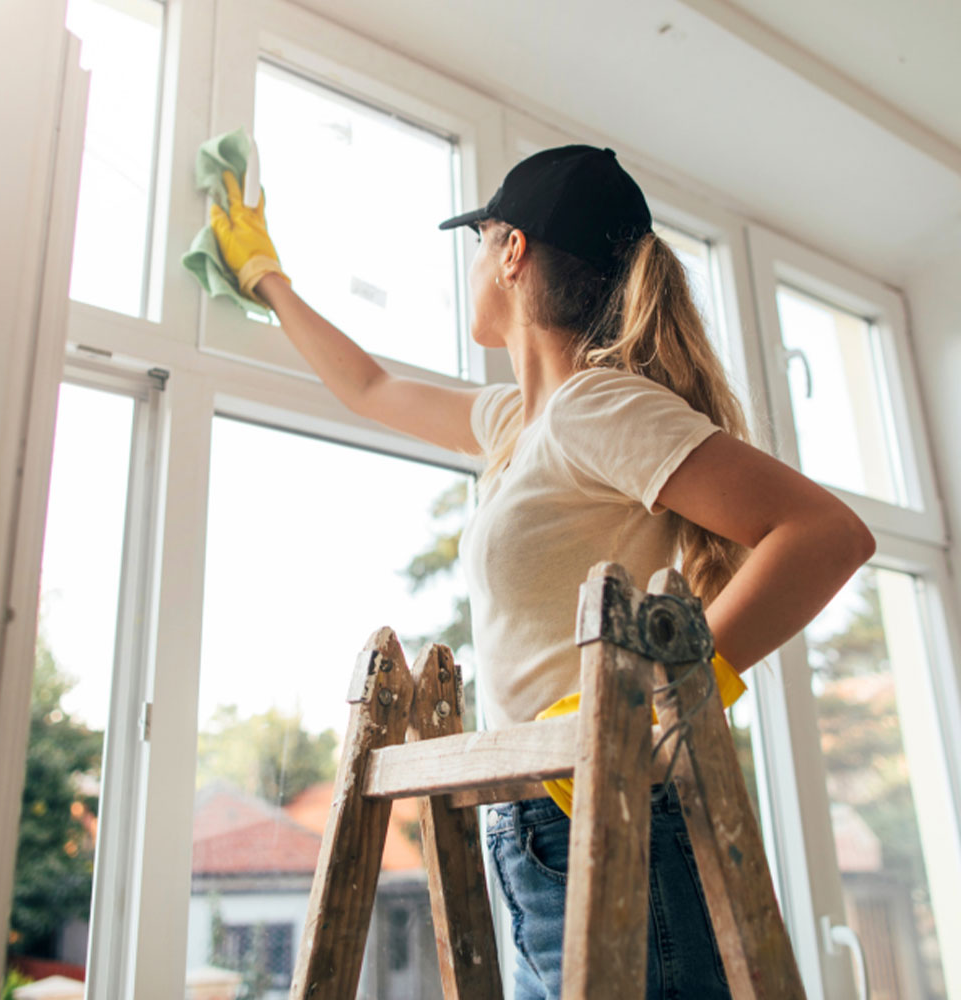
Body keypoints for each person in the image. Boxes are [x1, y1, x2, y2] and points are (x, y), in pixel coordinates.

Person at [210, 144, 875, 999]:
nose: (476, 263)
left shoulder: (600, 406)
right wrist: (267, 276)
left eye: (481, 241)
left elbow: (826, 533)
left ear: (512, 250)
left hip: (612, 821)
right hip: (536, 831)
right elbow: (370, 388)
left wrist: (665, 697)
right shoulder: (519, 425)